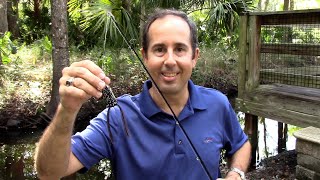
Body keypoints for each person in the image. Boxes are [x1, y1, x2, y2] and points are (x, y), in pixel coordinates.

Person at [35, 9, 251, 180]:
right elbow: (49, 172)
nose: (169, 60)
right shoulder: (117, 117)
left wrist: (236, 174)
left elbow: (241, 145)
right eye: (159, 49)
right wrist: (67, 109)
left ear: (194, 57)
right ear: (144, 56)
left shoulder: (218, 104)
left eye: (179, 49)